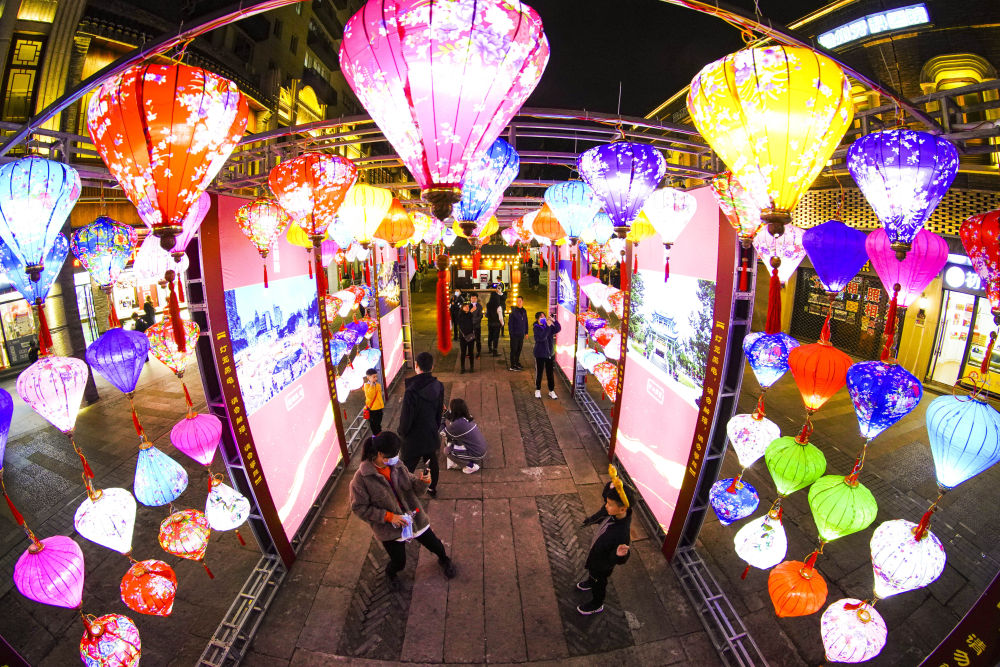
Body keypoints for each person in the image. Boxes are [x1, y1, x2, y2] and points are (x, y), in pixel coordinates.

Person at [350, 431, 456, 588]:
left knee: (436, 545)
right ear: (380, 454)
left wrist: (423, 482)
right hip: (390, 529)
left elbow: (414, 487)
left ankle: (444, 560)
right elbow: (359, 508)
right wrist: (388, 516)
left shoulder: (397, 465)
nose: (396, 458)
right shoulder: (360, 480)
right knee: (399, 562)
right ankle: (390, 574)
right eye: (392, 455)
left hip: (414, 518)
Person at [576, 479, 632, 615]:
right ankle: (591, 581)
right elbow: (606, 494)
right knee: (593, 575)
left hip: (601, 566)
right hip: (596, 555)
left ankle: (597, 604)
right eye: (607, 503)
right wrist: (611, 485)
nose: (605, 506)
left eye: (609, 504)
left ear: (622, 509)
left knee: (599, 583)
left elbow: (620, 559)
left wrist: (619, 555)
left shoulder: (622, 534)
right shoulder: (614, 511)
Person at [398, 351, 445, 497]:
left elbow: (406, 417)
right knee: (431, 462)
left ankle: (405, 492)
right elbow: (439, 412)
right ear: (432, 366)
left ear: (416, 365)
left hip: (413, 437)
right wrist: (434, 427)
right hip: (430, 432)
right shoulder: (438, 386)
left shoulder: (411, 391)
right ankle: (432, 487)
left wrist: (402, 432)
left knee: (406, 467)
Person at [442, 398, 487, 474]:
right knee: (452, 441)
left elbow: (442, 432)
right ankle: (467, 458)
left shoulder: (457, 425)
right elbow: (454, 418)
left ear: (455, 411)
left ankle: (471, 466)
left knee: (447, 451)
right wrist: (445, 412)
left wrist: (442, 419)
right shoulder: (467, 417)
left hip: (477, 454)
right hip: (480, 449)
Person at [532, 311, 561, 399]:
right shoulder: (536, 327)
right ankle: (537, 389)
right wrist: (547, 327)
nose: (543, 318)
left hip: (549, 354)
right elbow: (541, 338)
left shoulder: (548, 325)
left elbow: (558, 329)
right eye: (541, 317)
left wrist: (554, 321)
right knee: (539, 373)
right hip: (540, 354)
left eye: (544, 317)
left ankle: (551, 390)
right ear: (537, 319)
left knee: (550, 373)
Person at [508, 295, 528, 371]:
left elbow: (526, 322)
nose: (518, 303)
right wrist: (511, 334)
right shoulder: (513, 312)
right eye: (517, 301)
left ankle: (517, 362)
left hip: (521, 334)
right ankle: (512, 365)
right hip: (514, 335)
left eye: (520, 301)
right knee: (514, 349)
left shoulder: (524, 311)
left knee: (519, 349)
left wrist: (526, 332)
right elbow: (510, 324)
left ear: (522, 302)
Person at [363, 368, 384, 435]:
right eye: (374, 377)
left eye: (376, 376)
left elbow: (379, 396)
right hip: (372, 409)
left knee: (378, 423)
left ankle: (379, 435)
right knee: (374, 425)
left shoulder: (378, 385)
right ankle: (376, 436)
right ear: (368, 377)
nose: (376, 378)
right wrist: (371, 385)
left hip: (379, 407)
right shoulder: (366, 386)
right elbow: (370, 396)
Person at [456, 302, 476, 374]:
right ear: (462, 308)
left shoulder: (470, 315)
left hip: (470, 336)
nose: (467, 308)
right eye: (465, 307)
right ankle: (462, 367)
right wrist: (470, 312)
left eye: (468, 307)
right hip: (463, 337)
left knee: (471, 352)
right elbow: (461, 322)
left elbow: (474, 322)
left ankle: (472, 367)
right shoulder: (460, 315)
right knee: (463, 353)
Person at [485, 286, 505, 356]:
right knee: (495, 337)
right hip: (496, 324)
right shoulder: (498, 306)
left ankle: (490, 348)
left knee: (490, 335)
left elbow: (486, 314)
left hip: (490, 323)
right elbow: (500, 317)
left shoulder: (488, 305)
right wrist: (502, 324)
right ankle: (495, 351)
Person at [468, 293, 484, 358]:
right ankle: (470, 352)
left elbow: (480, 316)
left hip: (477, 326)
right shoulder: (468, 306)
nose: (473, 299)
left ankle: (478, 352)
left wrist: (473, 321)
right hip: (469, 326)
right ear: (470, 299)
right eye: (472, 298)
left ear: (477, 299)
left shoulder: (479, 306)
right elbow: (466, 315)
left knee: (478, 340)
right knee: (469, 340)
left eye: (475, 298)